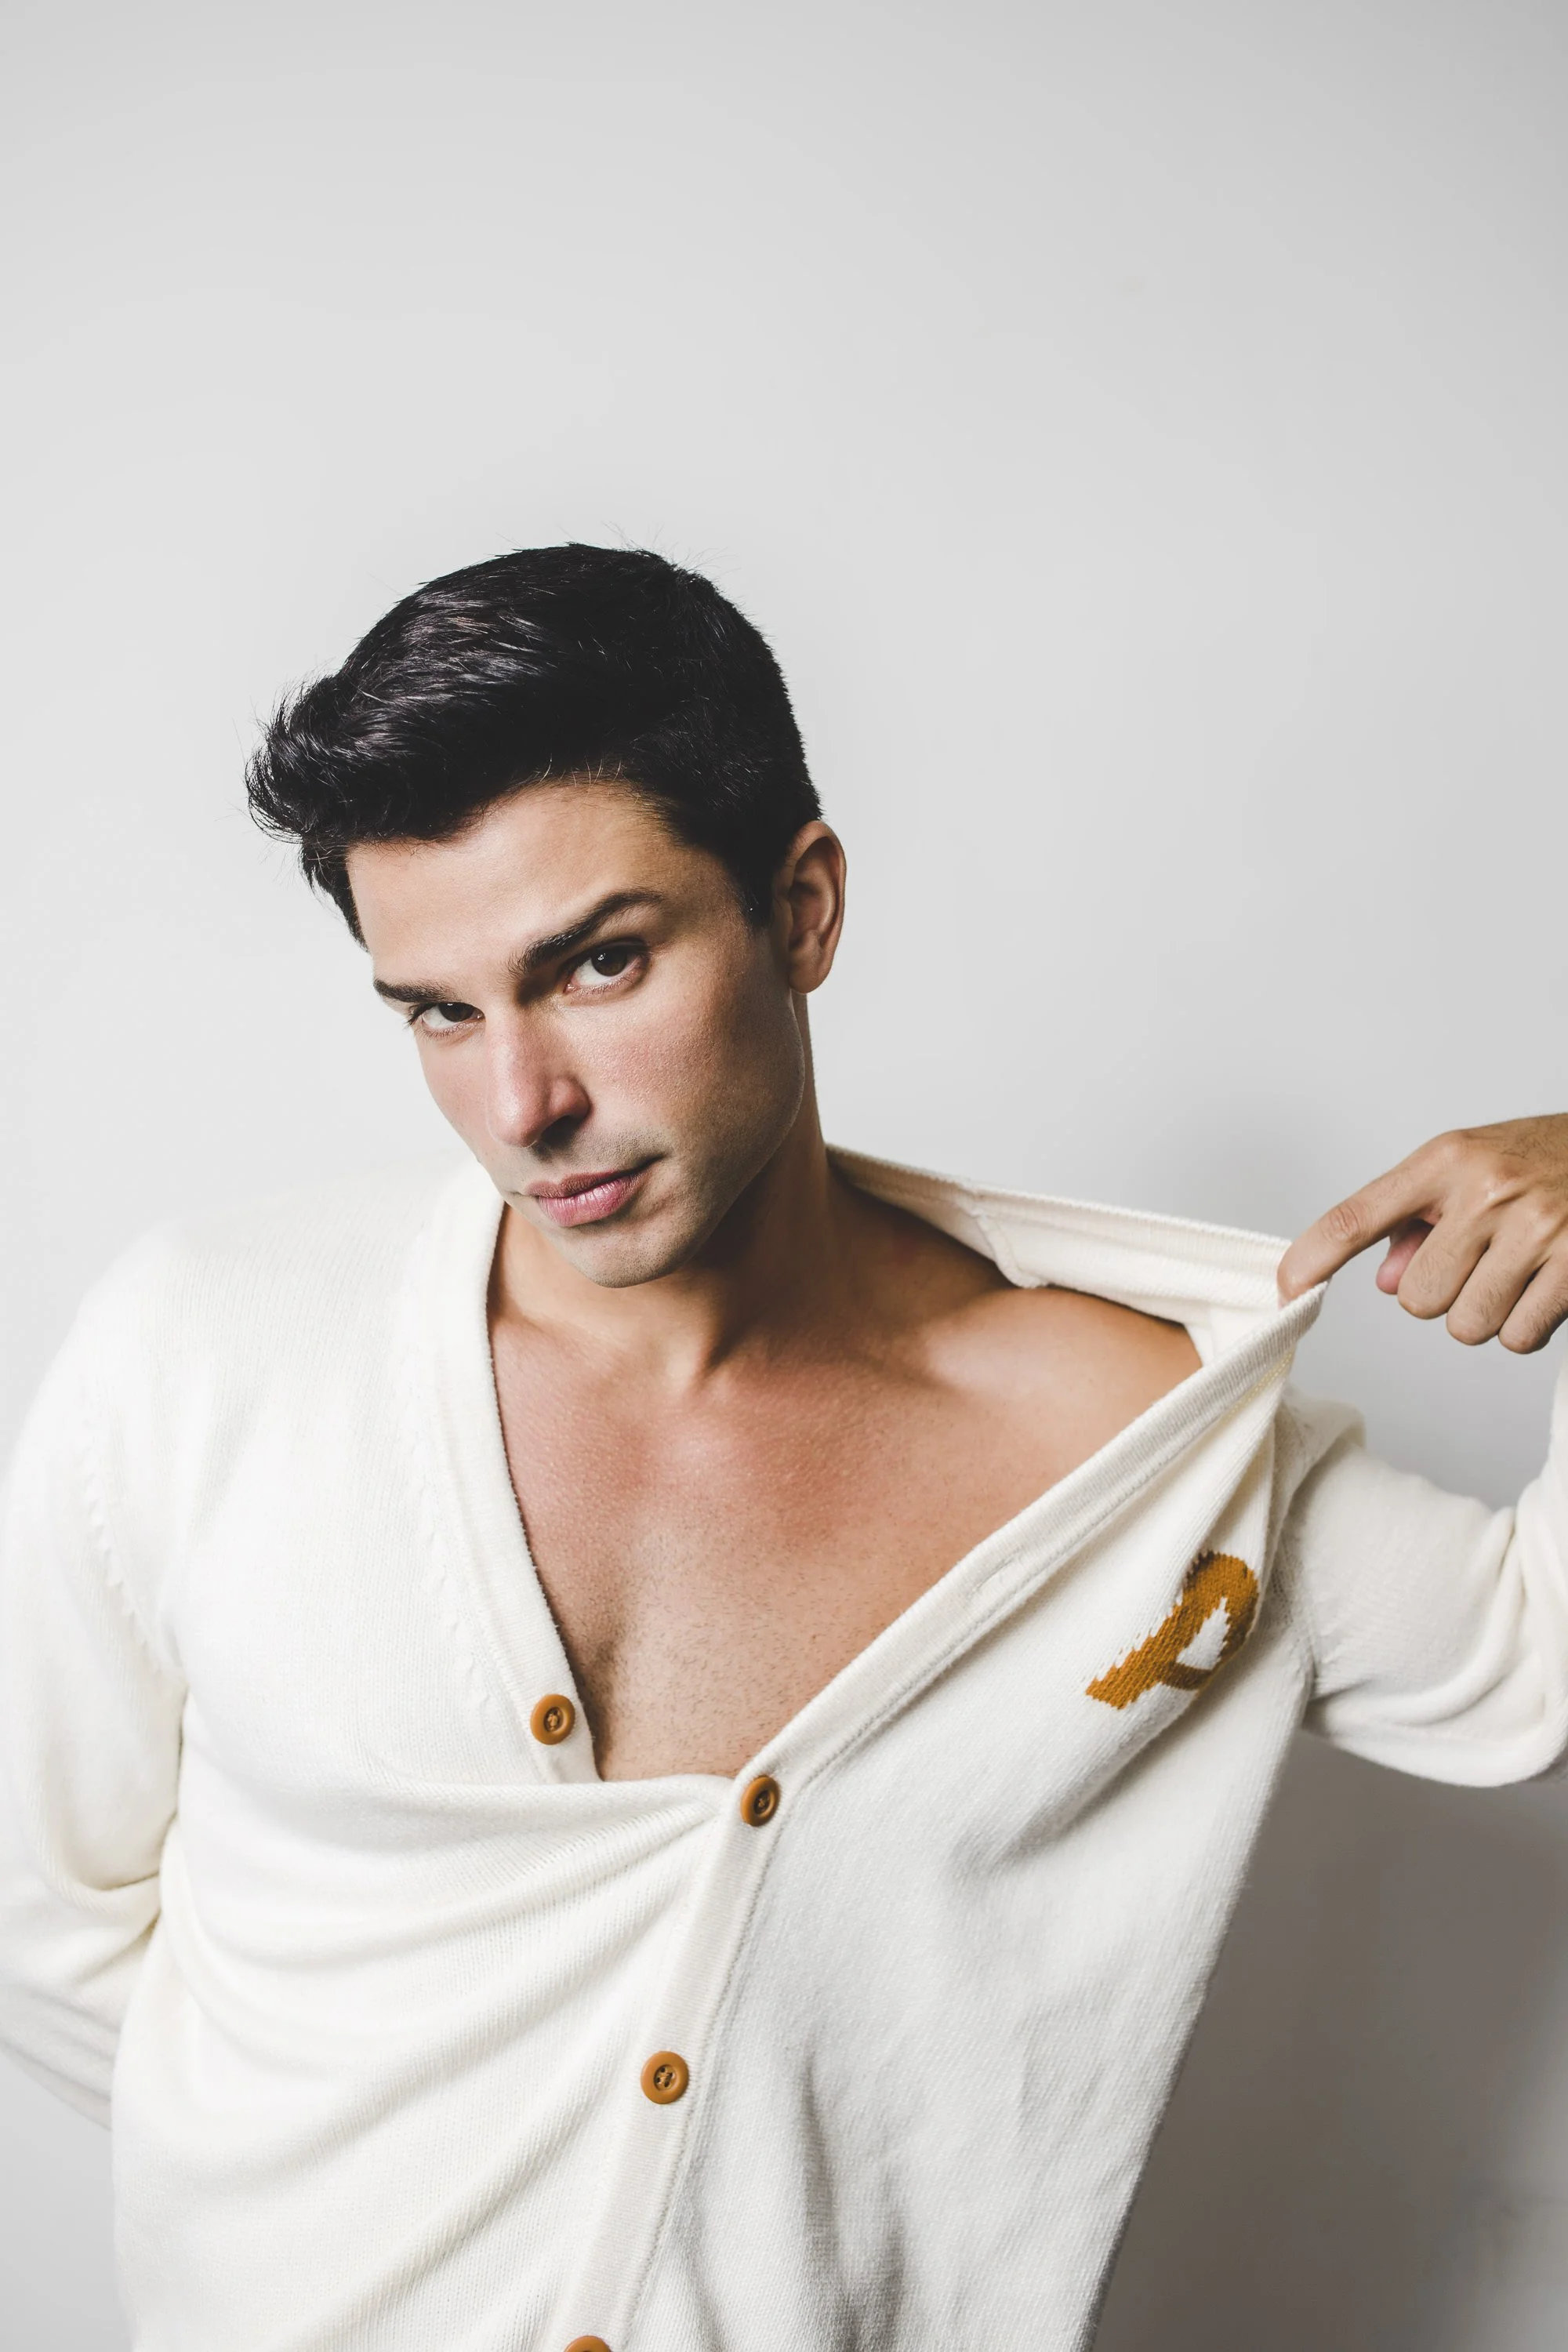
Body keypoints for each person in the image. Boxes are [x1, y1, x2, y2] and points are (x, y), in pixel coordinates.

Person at [1, 544, 1564, 2352]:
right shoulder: (207, 1351)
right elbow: (50, 1924)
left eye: (595, 964)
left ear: (800, 909)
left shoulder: (1139, 1455)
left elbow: (1532, 1673)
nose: (521, 1107)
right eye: (438, 1011)